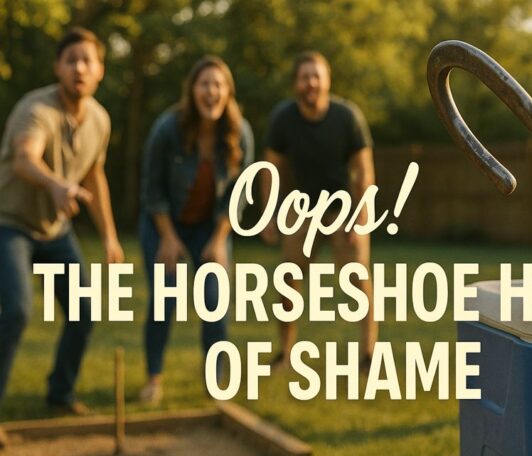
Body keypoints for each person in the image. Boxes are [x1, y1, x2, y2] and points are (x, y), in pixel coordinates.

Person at [0, 27, 124, 415]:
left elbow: (94, 175)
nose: (79, 68)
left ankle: (61, 392)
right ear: (58, 67)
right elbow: (24, 159)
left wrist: (110, 237)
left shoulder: (99, 120)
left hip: (55, 231)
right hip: (10, 224)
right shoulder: (36, 110)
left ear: (100, 69)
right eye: (71, 60)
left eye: (88, 60)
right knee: (18, 311)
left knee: (85, 309)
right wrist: (55, 185)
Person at [139, 56, 254, 404]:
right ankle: (154, 378)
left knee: (214, 302)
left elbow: (239, 195)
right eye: (204, 84)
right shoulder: (168, 128)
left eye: (218, 85)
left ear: (228, 92)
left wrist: (219, 240)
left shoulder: (239, 132)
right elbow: (151, 188)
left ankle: (216, 381)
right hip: (163, 222)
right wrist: (169, 239)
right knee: (166, 297)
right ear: (192, 90)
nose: (211, 91)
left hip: (211, 226)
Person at [261, 51, 378, 369]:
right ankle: (285, 353)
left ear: (327, 81)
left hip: (343, 211)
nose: (310, 82)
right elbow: (271, 169)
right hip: (301, 211)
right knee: (288, 283)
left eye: (316, 76)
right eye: (304, 77)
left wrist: (361, 217)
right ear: (296, 83)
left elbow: (363, 171)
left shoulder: (346, 116)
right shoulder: (283, 119)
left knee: (358, 282)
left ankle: (368, 354)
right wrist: (270, 214)